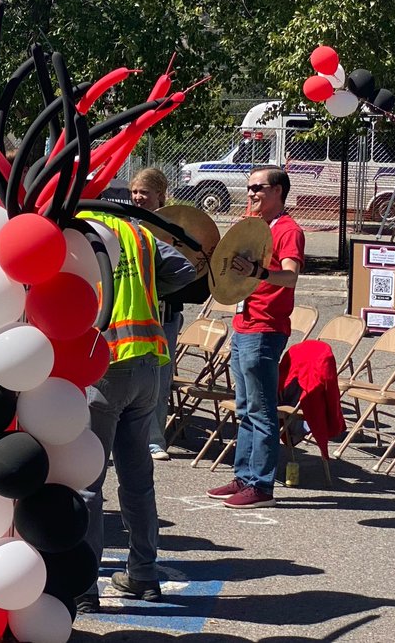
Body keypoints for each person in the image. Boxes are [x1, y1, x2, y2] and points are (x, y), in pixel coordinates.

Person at [74, 207, 196, 614]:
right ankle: (143, 574)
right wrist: (147, 287)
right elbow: (185, 269)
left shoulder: (74, 229)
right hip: (148, 363)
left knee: (88, 482)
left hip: (103, 362)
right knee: (138, 477)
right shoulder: (137, 232)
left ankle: (84, 586)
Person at [208, 166, 304, 509]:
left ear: (278, 190)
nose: (250, 193)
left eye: (257, 187)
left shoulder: (288, 229)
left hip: (265, 328)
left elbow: (290, 277)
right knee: (247, 409)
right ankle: (244, 477)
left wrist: (258, 272)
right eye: (249, 187)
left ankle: (261, 486)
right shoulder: (259, 227)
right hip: (245, 324)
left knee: (262, 411)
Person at [127, 167, 176, 461]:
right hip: (135, 311)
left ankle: (155, 440)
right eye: (134, 192)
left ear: (160, 194)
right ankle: (132, 435)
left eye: (144, 192)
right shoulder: (129, 224)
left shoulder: (176, 223)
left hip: (165, 312)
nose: (138, 197)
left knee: (159, 377)